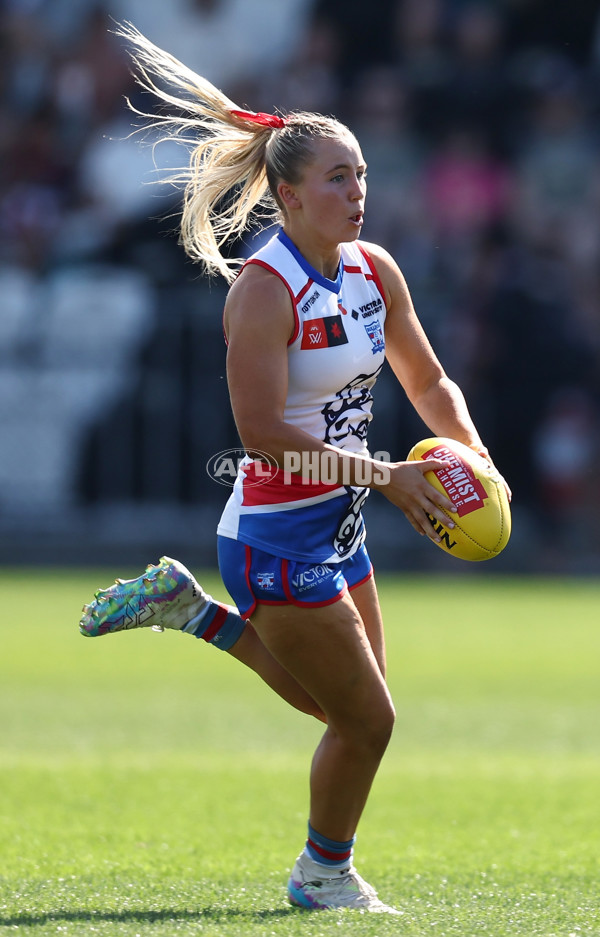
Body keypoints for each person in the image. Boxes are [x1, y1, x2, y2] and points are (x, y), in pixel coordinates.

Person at [79, 23, 508, 915]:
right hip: (273, 528)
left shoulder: (372, 271)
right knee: (369, 720)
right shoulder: (263, 290)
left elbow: (428, 379)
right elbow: (263, 433)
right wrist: (386, 475)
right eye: (338, 178)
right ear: (286, 193)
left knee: (345, 712)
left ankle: (191, 612)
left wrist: (471, 449)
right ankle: (322, 875)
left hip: (338, 524)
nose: (359, 193)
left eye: (362, 174)